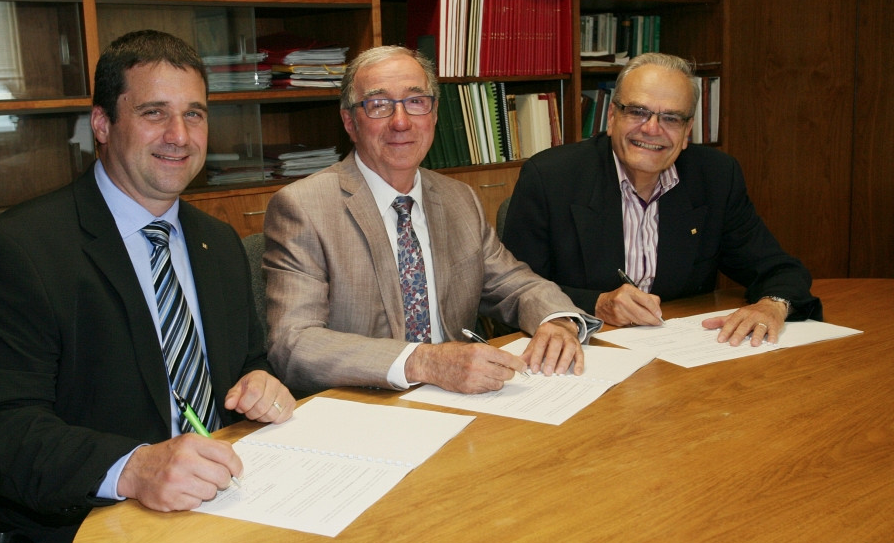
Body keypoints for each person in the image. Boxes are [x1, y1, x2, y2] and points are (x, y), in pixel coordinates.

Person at [0, 30, 295, 543]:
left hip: (222, 507)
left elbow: (246, 361)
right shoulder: (16, 251)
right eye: (155, 113)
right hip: (85, 531)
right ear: (103, 125)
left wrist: (261, 383)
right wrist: (134, 467)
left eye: (195, 114)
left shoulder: (219, 242)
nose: (179, 135)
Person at [262, 45, 600, 398]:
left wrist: (556, 320)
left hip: (464, 399)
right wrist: (424, 362)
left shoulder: (458, 199)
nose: (401, 122)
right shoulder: (303, 207)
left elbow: (516, 284)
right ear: (350, 121)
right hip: (367, 404)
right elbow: (294, 344)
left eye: (415, 102)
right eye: (379, 105)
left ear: (434, 113)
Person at [502, 52, 822, 347]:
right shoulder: (551, 178)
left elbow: (780, 269)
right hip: (587, 350)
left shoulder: (714, 177)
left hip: (679, 353)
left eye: (671, 118)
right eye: (638, 112)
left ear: (687, 132)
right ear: (612, 117)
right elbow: (511, 290)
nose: (652, 129)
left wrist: (772, 305)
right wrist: (596, 303)